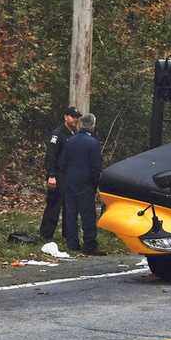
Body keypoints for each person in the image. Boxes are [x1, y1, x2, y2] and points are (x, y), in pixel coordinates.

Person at [59, 113, 105, 255]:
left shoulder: (70, 140)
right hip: (86, 182)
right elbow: (96, 166)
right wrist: (96, 183)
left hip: (70, 180)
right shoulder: (93, 143)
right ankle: (90, 244)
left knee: (71, 213)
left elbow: (63, 162)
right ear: (92, 125)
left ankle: (72, 243)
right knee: (88, 214)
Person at [40, 106, 81, 241]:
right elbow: (51, 156)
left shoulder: (74, 134)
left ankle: (67, 235)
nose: (75, 119)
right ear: (66, 117)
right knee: (54, 205)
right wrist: (51, 175)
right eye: (73, 116)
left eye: (76, 117)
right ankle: (46, 235)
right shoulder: (57, 134)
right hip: (58, 175)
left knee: (69, 206)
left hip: (70, 176)